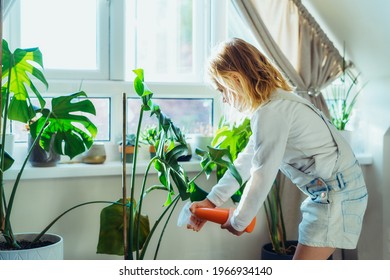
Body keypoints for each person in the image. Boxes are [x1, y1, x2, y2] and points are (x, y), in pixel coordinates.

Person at [187, 37, 368, 260]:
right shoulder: (273, 105)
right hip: (335, 191)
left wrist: (239, 221)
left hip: (336, 195)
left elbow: (262, 174)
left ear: (235, 80)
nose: (223, 99)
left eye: (222, 90)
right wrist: (212, 201)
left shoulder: (272, 112)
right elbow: (247, 159)